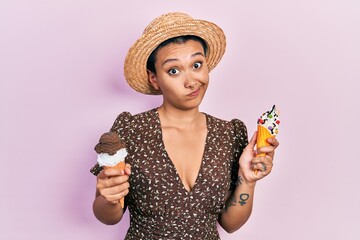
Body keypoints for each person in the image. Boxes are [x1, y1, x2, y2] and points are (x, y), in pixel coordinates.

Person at [92, 12, 279, 239]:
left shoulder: (229, 134)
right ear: (154, 78)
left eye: (197, 65)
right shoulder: (130, 130)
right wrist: (108, 197)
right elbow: (108, 216)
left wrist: (248, 181)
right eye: (174, 70)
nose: (191, 81)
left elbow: (230, 224)